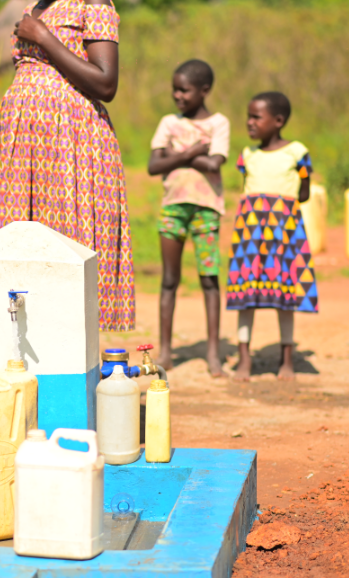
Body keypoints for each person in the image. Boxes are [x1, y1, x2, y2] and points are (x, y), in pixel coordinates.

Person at [0, 0, 135, 332]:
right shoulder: (32, 5)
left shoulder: (92, 4)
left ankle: (70, 348)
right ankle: (24, 344)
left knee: (69, 237)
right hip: (23, 142)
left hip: (69, 139)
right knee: (20, 237)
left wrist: (43, 37)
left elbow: (105, 84)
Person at [227, 91, 317, 382]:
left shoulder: (297, 153)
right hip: (250, 237)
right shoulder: (248, 155)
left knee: (285, 295)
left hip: (284, 236)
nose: (249, 122)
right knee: (245, 295)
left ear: (278, 121)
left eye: (256, 117)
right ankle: (244, 360)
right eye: (248, 116)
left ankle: (286, 361)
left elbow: (304, 193)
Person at [148, 59, 230, 377]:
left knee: (209, 280)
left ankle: (213, 355)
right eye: (175, 89)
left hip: (205, 210)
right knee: (169, 280)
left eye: (184, 90)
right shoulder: (169, 122)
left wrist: (175, 157)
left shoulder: (219, 123)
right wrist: (193, 152)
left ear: (204, 91)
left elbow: (215, 164)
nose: (177, 95)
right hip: (173, 209)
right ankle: (166, 352)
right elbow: (153, 166)